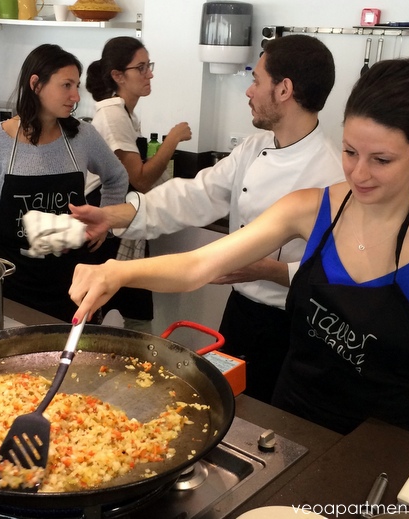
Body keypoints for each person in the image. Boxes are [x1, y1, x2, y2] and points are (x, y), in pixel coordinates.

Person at [70, 50, 409, 447]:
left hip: (386, 444)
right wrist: (116, 272)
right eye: (350, 152)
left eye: (381, 159)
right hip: (292, 421)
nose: (358, 174)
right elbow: (197, 266)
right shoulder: (311, 207)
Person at [71, 35, 344, 402]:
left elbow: (338, 275)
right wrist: (113, 215)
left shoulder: (333, 171)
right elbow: (193, 195)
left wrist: (267, 270)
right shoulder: (254, 147)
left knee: (274, 423)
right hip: (239, 313)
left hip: (291, 324)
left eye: (257, 80)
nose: (249, 91)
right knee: (226, 406)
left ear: (284, 90)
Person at [0, 44, 128, 322]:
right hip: (13, 281)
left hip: (73, 280)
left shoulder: (82, 136)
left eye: (77, 85)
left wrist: (105, 218)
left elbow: (117, 176)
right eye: (66, 85)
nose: (75, 96)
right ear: (36, 84)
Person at [84, 36, 192, 333]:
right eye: (141, 68)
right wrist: (172, 140)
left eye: (149, 66)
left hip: (120, 220)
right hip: (106, 221)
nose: (150, 74)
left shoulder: (125, 114)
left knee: (134, 312)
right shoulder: (112, 114)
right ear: (118, 76)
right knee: (109, 310)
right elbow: (140, 178)